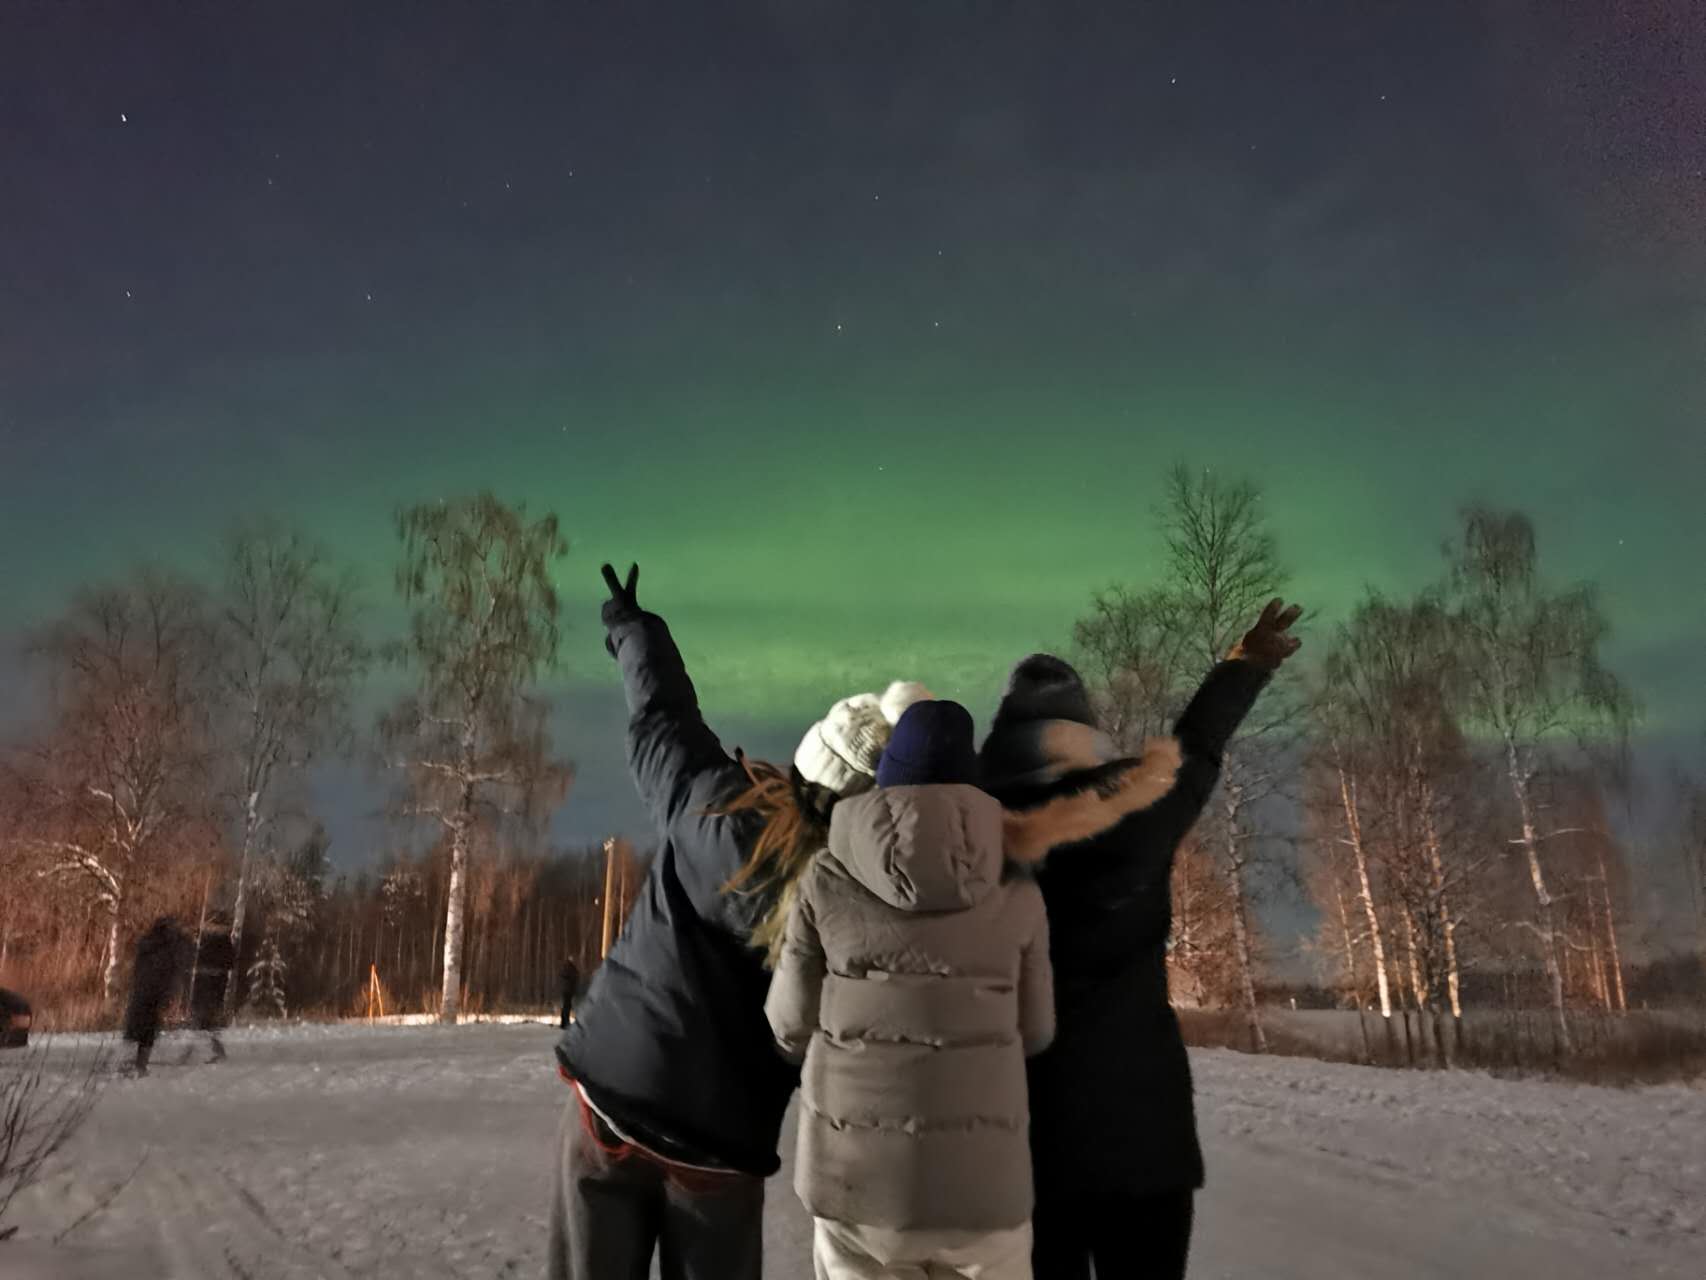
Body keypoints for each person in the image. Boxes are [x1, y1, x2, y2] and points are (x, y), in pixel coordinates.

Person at [549, 562, 929, 1280]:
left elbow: (661, 716)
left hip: (614, 1093)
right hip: (720, 1143)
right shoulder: (853, 899)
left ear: (807, 757)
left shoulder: (709, 800)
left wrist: (636, 629)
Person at [767, 699, 1183, 1280]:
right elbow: (1037, 1031)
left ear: (886, 780)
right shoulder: (1016, 891)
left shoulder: (826, 878)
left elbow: (788, 1019)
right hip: (984, 1199)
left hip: (857, 1188)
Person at [978, 598, 1303, 1280]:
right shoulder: (1137, 813)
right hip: (1144, 1138)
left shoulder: (971, 834)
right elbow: (1197, 749)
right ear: (1085, 731)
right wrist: (1242, 668)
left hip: (1027, 1144)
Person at [123, 917, 189, 1077]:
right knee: (148, 1030)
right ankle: (140, 1064)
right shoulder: (168, 948)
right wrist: (169, 994)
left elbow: (138, 969)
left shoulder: (146, 944)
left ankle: (134, 1062)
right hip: (155, 993)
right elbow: (171, 972)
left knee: (138, 1028)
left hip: (142, 991)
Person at [185, 927, 232, 1064]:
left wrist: (209, 971)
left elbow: (228, 964)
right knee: (202, 1023)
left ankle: (191, 1053)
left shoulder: (222, 942)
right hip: (203, 988)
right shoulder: (204, 940)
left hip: (213, 989)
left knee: (206, 1023)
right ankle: (193, 1052)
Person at [558, 959, 580, 1030]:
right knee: (566, 1007)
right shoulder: (570, 969)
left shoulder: (565, 969)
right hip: (568, 991)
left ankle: (564, 1022)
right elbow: (574, 978)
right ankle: (565, 1023)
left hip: (566, 991)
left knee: (566, 1007)